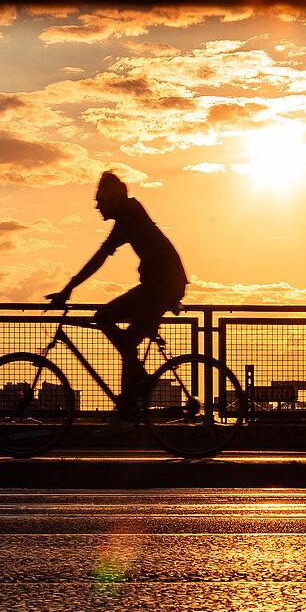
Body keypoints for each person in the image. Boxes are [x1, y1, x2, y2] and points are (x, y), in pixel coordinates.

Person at [46, 171, 188, 433]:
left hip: (162, 287)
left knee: (121, 335)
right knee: (113, 327)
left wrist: (68, 290)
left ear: (113, 198)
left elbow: (100, 257)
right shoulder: (128, 214)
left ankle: (129, 408)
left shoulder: (129, 214)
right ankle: (133, 396)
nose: (96, 205)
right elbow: (101, 255)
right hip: (158, 286)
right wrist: (68, 289)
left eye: (100, 199)